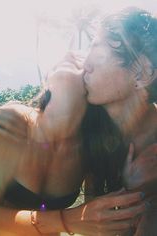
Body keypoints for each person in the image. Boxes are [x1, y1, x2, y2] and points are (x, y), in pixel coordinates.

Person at [0, 51, 146, 235]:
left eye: (81, 61)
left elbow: (96, 222)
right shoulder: (16, 122)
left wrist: (128, 186)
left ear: (91, 87)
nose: (68, 54)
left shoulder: (89, 153)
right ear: (47, 81)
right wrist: (67, 220)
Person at [81, 7, 157, 235]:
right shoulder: (96, 134)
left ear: (141, 73)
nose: (85, 65)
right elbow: (94, 226)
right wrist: (129, 189)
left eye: (98, 51)